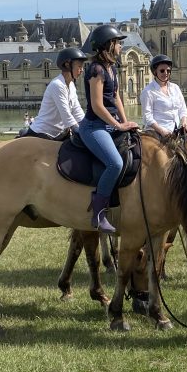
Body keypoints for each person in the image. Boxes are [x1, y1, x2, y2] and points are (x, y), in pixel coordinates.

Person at [78, 24, 138, 234]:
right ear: (108, 45)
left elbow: (115, 98)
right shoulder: (96, 69)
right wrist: (117, 125)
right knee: (115, 163)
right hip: (94, 127)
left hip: (110, 125)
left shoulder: (112, 68)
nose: (121, 46)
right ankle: (98, 212)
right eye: (118, 43)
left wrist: (126, 122)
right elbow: (97, 105)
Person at [24, 47, 86, 140]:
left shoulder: (71, 85)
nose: (82, 70)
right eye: (79, 67)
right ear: (67, 65)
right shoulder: (57, 85)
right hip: (42, 133)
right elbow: (67, 116)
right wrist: (79, 131)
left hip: (57, 134)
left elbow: (77, 112)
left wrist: (88, 126)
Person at [140, 54, 187, 137]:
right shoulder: (148, 91)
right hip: (156, 131)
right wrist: (161, 130)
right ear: (155, 72)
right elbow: (147, 117)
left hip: (175, 129)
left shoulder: (175, 88)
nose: (166, 73)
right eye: (162, 71)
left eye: (168, 71)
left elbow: (182, 109)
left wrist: (184, 122)